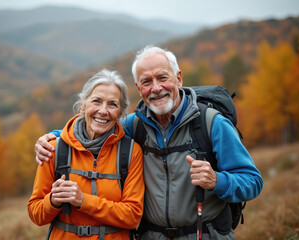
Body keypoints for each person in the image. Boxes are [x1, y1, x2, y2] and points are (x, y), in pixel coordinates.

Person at [34, 46, 263, 240]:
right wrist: (54, 136)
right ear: (139, 89)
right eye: (146, 81)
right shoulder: (136, 125)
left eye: (163, 77)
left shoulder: (211, 123)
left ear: (179, 78)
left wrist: (217, 180)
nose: (156, 88)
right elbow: (99, 125)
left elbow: (252, 181)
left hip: (205, 234)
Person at [28, 69, 144, 240]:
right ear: (83, 105)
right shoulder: (54, 148)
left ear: (120, 114)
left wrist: (83, 201)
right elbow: (36, 214)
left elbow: (133, 216)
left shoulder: (131, 152)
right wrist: (53, 201)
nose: (103, 111)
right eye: (96, 101)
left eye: (112, 104)